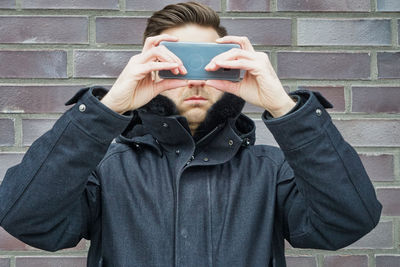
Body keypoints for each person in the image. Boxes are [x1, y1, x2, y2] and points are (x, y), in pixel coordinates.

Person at [0, 2, 381, 267]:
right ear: (149, 71)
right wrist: (109, 106)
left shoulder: (273, 170)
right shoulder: (105, 168)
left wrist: (283, 106)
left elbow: (349, 222)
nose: (195, 81)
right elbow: (25, 218)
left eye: (210, 65)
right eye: (176, 67)